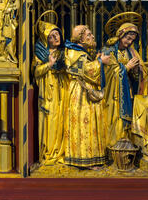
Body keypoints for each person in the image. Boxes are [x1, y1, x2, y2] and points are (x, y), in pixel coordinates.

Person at [64, 25, 111, 169]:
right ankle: (86, 159)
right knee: (84, 122)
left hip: (82, 90)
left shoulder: (79, 52)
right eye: (88, 35)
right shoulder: (74, 53)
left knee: (89, 122)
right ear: (81, 38)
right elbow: (86, 70)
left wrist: (96, 61)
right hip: (80, 93)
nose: (92, 37)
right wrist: (100, 62)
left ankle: (89, 158)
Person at [102, 12, 148, 149]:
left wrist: (136, 71)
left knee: (127, 121)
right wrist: (126, 68)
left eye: (132, 40)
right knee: (116, 119)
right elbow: (108, 73)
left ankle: (127, 146)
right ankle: (114, 148)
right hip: (114, 94)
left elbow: (142, 72)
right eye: (127, 38)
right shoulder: (109, 50)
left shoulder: (131, 52)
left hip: (128, 90)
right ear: (120, 35)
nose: (129, 42)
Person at [32, 13, 67, 165]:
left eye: (57, 34)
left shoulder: (64, 52)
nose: (56, 38)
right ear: (46, 39)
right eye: (51, 36)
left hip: (63, 91)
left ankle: (62, 152)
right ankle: (49, 153)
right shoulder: (40, 54)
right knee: (51, 122)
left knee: (62, 121)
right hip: (48, 94)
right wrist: (49, 65)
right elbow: (36, 71)